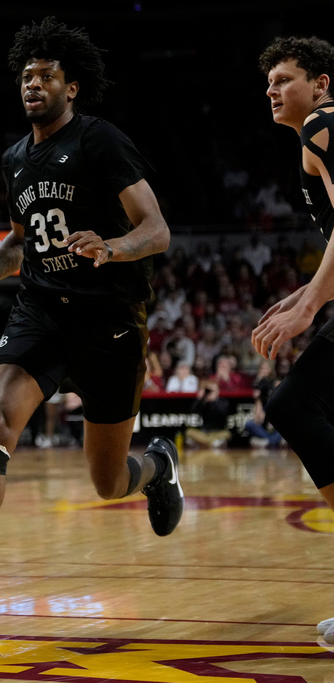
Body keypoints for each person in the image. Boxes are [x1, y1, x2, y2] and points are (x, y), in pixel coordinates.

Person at [0, 17, 183, 640]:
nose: (33, 85)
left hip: (110, 320)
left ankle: (158, 466)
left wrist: (112, 248)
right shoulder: (16, 158)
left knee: (107, 480)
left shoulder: (101, 142)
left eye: (46, 76)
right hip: (40, 312)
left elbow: (157, 230)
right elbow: (19, 245)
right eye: (26, 77)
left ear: (73, 86)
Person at [252, 35, 334, 644]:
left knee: (292, 403)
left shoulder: (321, 129)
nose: (273, 91)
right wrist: (312, 292)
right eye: (270, 82)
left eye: (285, 79)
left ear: (321, 84)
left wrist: (310, 303)